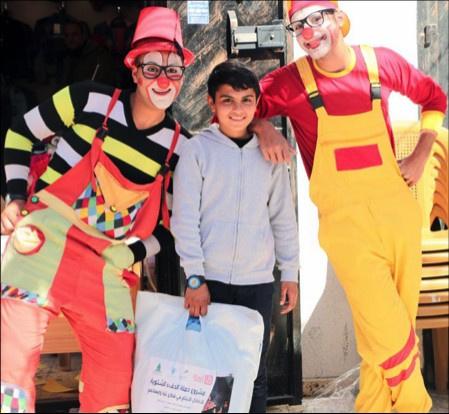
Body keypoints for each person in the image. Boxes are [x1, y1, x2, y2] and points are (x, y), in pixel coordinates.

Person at [251, 1, 447, 412]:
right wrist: (263, 127)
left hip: (397, 215)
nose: (308, 33)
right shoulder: (291, 83)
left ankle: (373, 407)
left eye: (316, 19)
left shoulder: (380, 63)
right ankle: (416, 405)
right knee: (388, 327)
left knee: (390, 325)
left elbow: (434, 99)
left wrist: (420, 154)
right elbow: (238, 104)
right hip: (345, 227)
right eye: (298, 26)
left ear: (338, 18)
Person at [1, 7, 194, 413]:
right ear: (134, 69)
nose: (163, 79)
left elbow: (176, 225)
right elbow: (20, 133)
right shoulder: (88, 99)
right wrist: (15, 197)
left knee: (115, 388)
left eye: (173, 70)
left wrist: (133, 252)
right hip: (41, 248)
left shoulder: (182, 150)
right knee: (10, 372)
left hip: (107, 270)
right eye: (152, 67)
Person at [171, 61, 299, 414]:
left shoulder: (270, 154)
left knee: (252, 373)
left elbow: (283, 217)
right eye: (227, 100)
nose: (238, 110)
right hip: (209, 281)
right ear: (211, 103)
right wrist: (194, 277)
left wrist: (290, 272)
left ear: (257, 104)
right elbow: (184, 220)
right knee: (211, 374)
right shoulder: (197, 151)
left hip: (257, 282)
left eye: (246, 100)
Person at [62, 19, 117, 87]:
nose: (70, 39)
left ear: (83, 36)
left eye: (75, 34)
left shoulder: (99, 56)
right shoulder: (67, 58)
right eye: (66, 35)